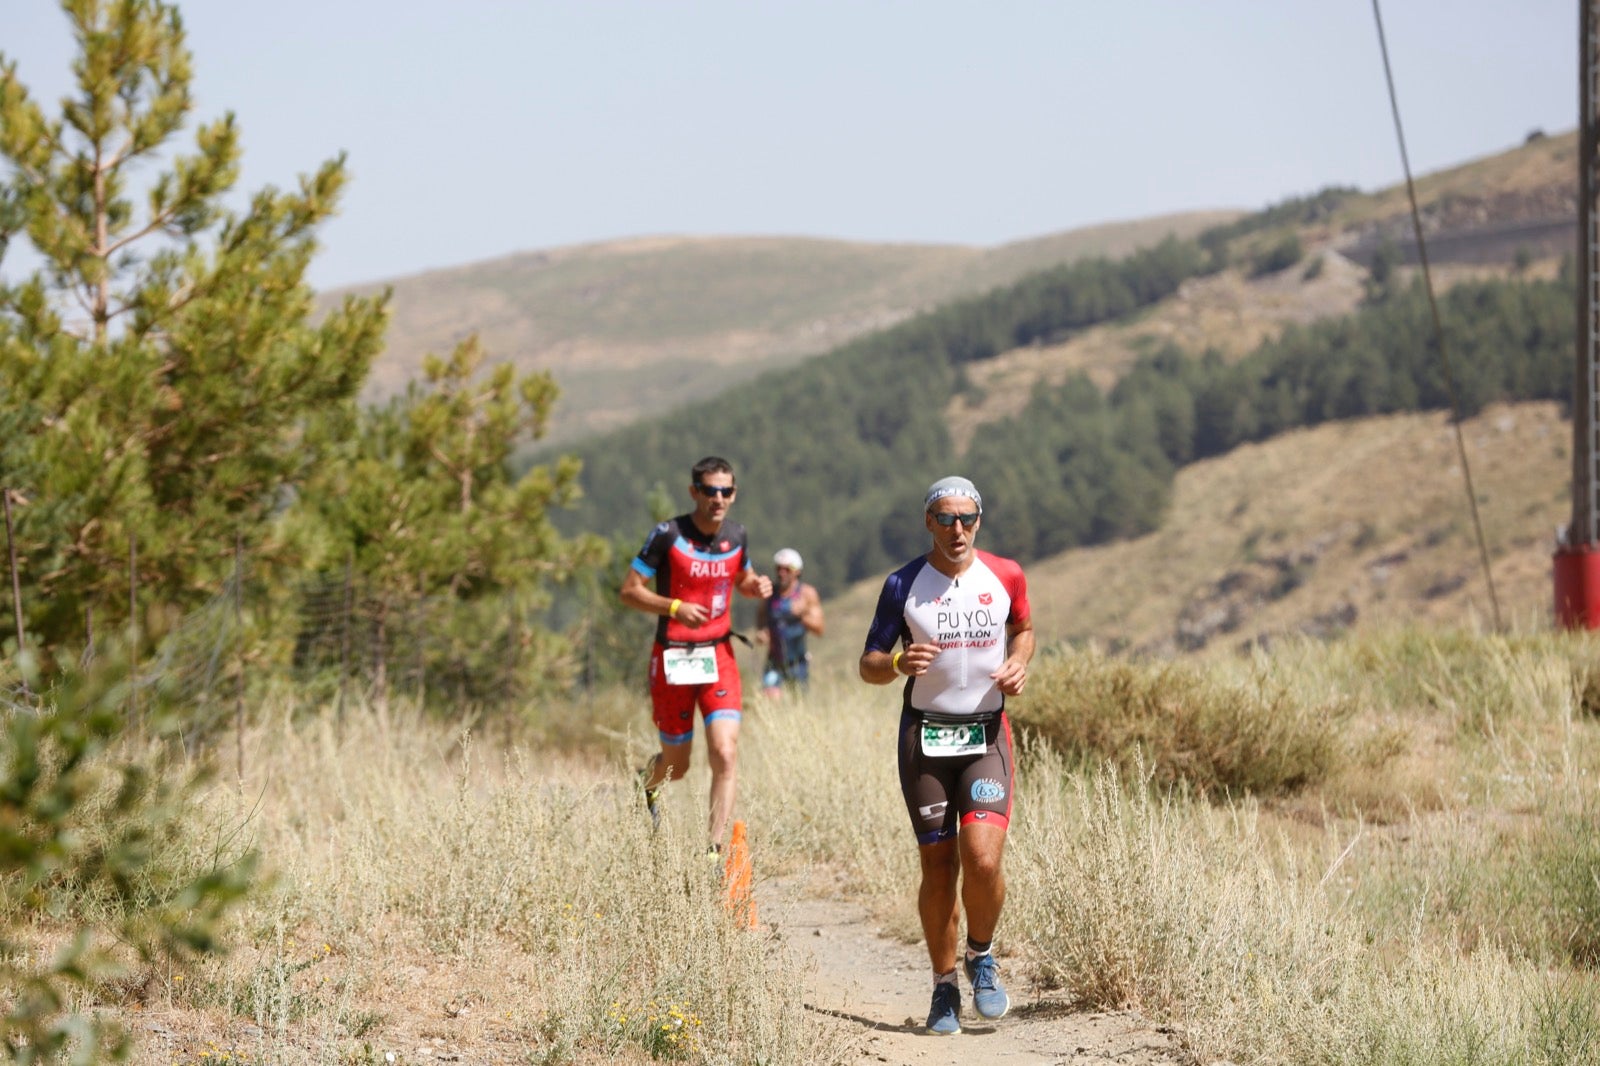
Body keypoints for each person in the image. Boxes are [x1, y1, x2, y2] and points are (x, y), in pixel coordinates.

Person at [858, 476, 1034, 1036]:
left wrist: (1020, 661)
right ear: (928, 523)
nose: (956, 530)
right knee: (938, 866)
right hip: (925, 742)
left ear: (979, 520)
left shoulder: (1005, 574)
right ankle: (942, 988)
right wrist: (896, 666)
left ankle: (980, 955)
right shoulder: (903, 583)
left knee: (982, 859)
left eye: (966, 518)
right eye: (944, 519)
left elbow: (1023, 628)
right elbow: (868, 663)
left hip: (986, 736)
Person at [621, 456, 773, 851]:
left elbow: (740, 578)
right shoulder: (668, 534)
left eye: (725, 491)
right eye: (710, 491)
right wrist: (674, 607)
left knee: (725, 751)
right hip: (673, 657)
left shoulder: (737, 536)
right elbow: (630, 590)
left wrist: (755, 586)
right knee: (677, 766)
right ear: (694, 493)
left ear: (734, 494)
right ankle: (647, 783)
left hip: (719, 655)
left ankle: (713, 850)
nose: (718, 499)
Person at [755, 547, 825, 697]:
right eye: (779, 568)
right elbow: (761, 617)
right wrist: (762, 632)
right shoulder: (769, 594)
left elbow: (820, 629)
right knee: (770, 699)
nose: (782, 573)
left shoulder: (806, 594)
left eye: (787, 569)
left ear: (797, 571)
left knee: (797, 705)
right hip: (774, 662)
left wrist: (802, 615)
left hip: (797, 663)